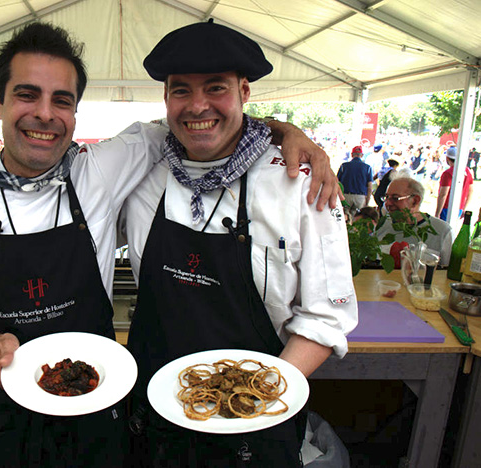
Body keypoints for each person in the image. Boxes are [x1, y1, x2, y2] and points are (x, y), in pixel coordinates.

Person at [0, 21, 341, 468]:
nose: (44, 113)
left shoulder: (103, 171)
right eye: (25, 94)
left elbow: (214, 124)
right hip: (6, 424)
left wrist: (289, 131)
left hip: (127, 420)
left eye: (62, 100)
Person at [115, 21, 356, 467]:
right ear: (166, 98)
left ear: (245, 91)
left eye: (216, 88)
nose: (197, 106)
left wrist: (252, 398)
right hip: (151, 418)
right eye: (181, 90)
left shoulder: (300, 182)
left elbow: (326, 317)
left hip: (257, 421)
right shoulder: (141, 167)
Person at [376, 177, 452, 266]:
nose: (387, 203)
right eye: (386, 197)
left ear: (415, 201)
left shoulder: (442, 231)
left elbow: (447, 273)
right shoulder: (383, 224)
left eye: (395, 198)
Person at [435, 146, 474, 221]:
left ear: (447, 158)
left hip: (447, 207)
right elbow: (471, 192)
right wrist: (464, 208)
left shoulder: (448, 173)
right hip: (460, 207)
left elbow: (443, 194)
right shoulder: (467, 171)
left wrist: (437, 213)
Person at [338, 145, 373, 218]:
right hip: (360, 197)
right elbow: (369, 186)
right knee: (357, 219)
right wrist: (367, 200)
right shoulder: (367, 167)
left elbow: (337, 182)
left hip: (346, 196)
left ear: (351, 155)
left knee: (344, 218)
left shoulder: (344, 166)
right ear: (362, 155)